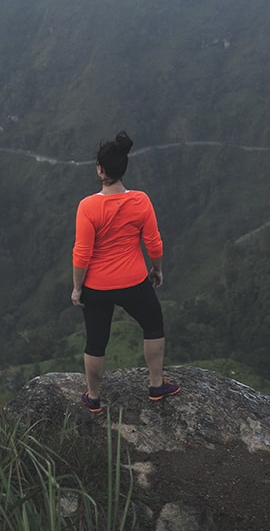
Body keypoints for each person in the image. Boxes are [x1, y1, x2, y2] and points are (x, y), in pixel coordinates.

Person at [71, 131, 179, 413]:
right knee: (153, 325)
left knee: (96, 341)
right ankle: (156, 385)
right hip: (133, 280)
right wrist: (156, 270)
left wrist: (77, 287)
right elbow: (154, 243)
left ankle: (93, 397)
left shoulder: (88, 206)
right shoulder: (141, 201)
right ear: (123, 169)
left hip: (96, 285)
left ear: (100, 169)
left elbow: (82, 253)